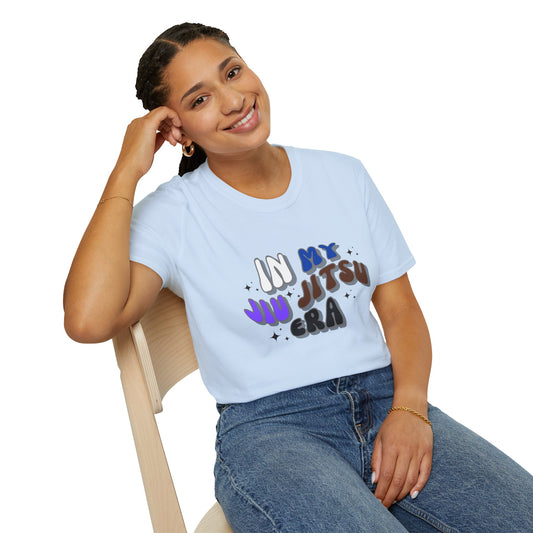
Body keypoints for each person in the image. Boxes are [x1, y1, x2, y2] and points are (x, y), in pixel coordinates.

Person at [63, 22, 533, 532]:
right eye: (200, 99)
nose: (233, 100)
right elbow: (88, 320)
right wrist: (126, 170)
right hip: (271, 432)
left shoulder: (344, 176)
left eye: (232, 72)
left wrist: (411, 409)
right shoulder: (174, 214)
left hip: (387, 399)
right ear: (179, 132)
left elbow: (400, 310)